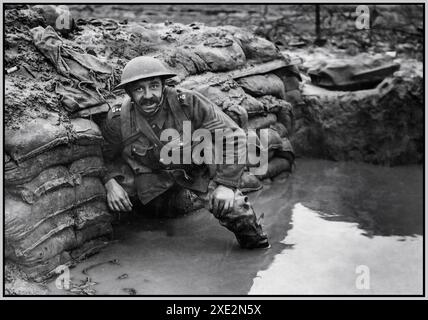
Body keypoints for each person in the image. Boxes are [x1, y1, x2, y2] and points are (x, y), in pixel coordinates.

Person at [101, 56, 270, 249]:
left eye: (154, 86)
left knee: (236, 209)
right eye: (139, 89)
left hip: (195, 171)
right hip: (151, 175)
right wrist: (109, 182)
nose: (148, 95)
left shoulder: (188, 103)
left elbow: (235, 137)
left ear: (163, 85)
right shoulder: (118, 119)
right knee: (109, 201)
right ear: (129, 92)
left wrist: (226, 185)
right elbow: (105, 155)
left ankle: (256, 250)